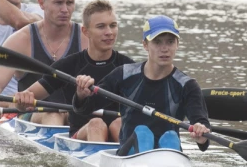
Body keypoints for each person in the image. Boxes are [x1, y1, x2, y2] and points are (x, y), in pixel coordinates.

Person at [72, 15, 211, 155]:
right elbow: (84, 109)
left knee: (171, 136)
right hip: (129, 155)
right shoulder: (124, 75)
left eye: (170, 42)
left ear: (177, 44)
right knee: (142, 132)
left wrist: (201, 135)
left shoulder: (187, 85)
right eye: (157, 42)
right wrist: (81, 95)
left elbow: (202, 131)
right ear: (145, 44)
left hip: (169, 155)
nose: (164, 49)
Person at [13, 0, 134, 142]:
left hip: (116, 132)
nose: (109, 32)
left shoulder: (128, 67)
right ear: (85, 31)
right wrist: (22, 101)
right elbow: (22, 103)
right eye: (101, 27)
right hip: (80, 136)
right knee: (97, 124)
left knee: (118, 123)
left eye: (113, 25)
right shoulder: (69, 65)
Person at [0, 0, 89, 124]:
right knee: (53, 114)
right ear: (41, 3)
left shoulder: (86, 38)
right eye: (58, 3)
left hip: (75, 115)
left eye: (70, 3)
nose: (65, 9)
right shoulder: (21, 40)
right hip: (31, 116)